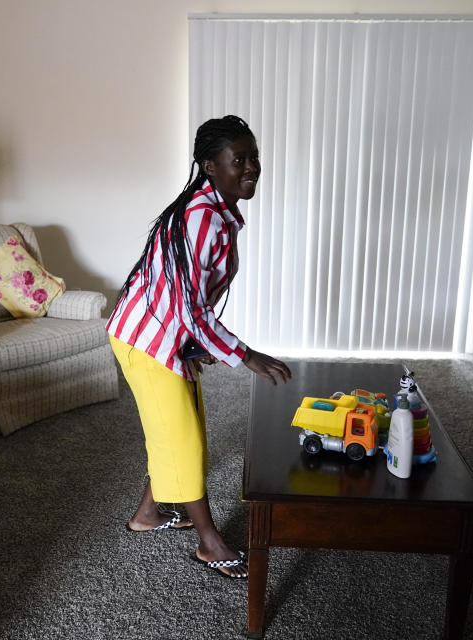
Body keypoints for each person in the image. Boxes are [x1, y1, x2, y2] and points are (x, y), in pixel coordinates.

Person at [106, 115, 291, 579]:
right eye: (239, 160)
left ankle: (147, 514)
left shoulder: (216, 210)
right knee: (183, 438)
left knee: (179, 427)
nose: (251, 167)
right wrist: (244, 354)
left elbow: (187, 298)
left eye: (254, 158)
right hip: (146, 339)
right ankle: (210, 542)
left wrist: (198, 341)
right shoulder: (203, 217)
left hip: (169, 332)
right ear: (210, 166)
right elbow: (189, 305)